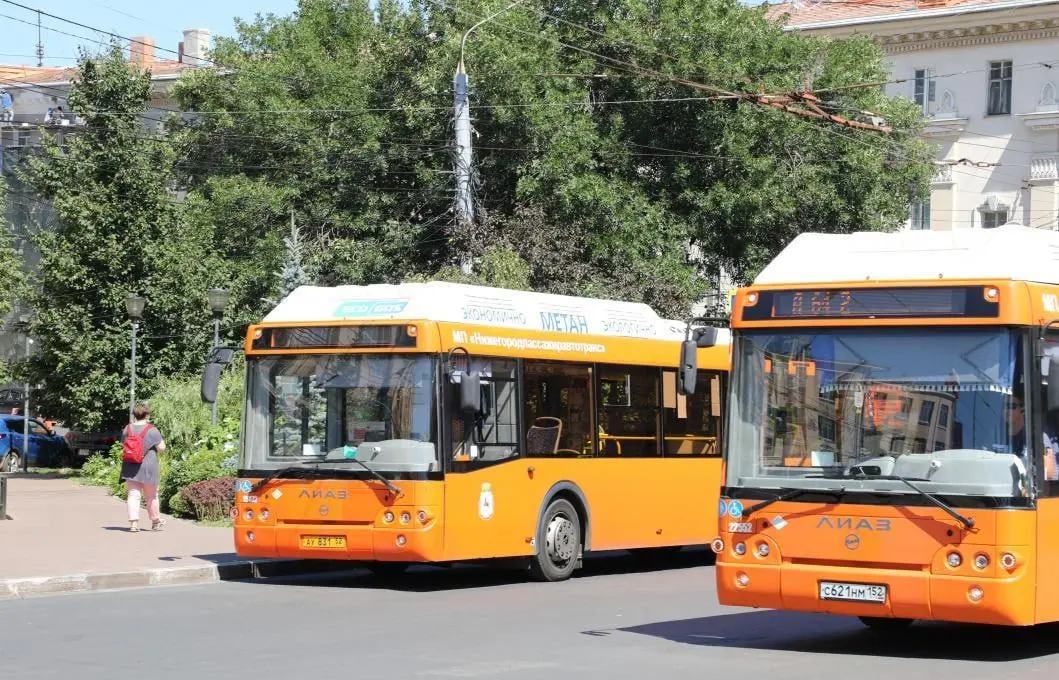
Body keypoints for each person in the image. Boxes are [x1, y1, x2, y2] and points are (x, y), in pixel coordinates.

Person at [120, 402, 167, 532]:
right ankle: (155, 521)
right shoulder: (152, 429)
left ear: (134, 415)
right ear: (147, 415)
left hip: (131, 466)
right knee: (151, 496)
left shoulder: (127, 428)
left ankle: (134, 524)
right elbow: (161, 448)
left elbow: (124, 444)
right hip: (148, 466)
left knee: (133, 495)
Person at [1006, 394, 1057, 481]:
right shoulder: (995, 435)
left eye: (1011, 406)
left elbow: (1049, 474)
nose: (1006, 410)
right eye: (1004, 406)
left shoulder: (1036, 436)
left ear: (1022, 409)